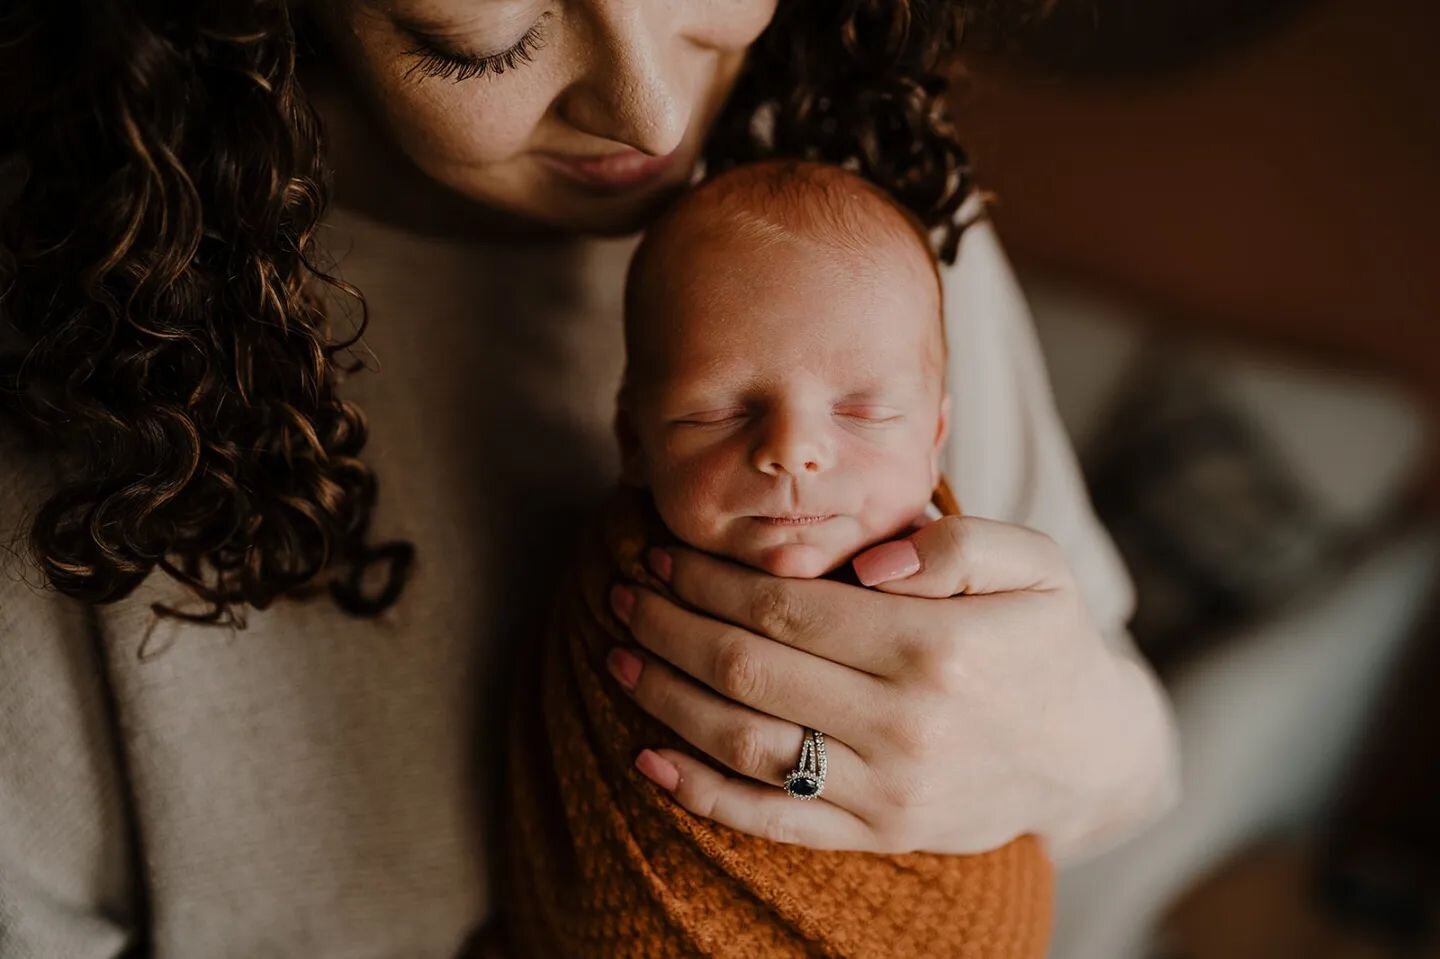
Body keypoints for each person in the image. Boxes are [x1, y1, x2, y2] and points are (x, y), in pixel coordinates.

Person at [0, 1, 1178, 956]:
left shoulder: (870, 219)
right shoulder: (83, 371)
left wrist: (1070, 736)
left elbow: (1130, 765)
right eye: (483, 38)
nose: (652, 108)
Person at [502, 160, 1053, 957]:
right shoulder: (613, 592)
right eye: (720, 410)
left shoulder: (977, 587)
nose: (792, 450)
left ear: (934, 438)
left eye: (864, 411)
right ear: (633, 439)